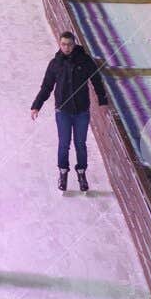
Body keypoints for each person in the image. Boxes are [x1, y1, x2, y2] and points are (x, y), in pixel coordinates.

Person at [30, 30, 109, 193]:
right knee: (64, 143)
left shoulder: (85, 61)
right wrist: (36, 105)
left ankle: (81, 173)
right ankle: (63, 172)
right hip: (63, 111)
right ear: (60, 44)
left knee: (80, 143)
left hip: (81, 111)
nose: (66, 47)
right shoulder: (55, 63)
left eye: (70, 44)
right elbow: (47, 87)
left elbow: (97, 81)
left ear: (74, 44)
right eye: (64, 44)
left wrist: (103, 101)